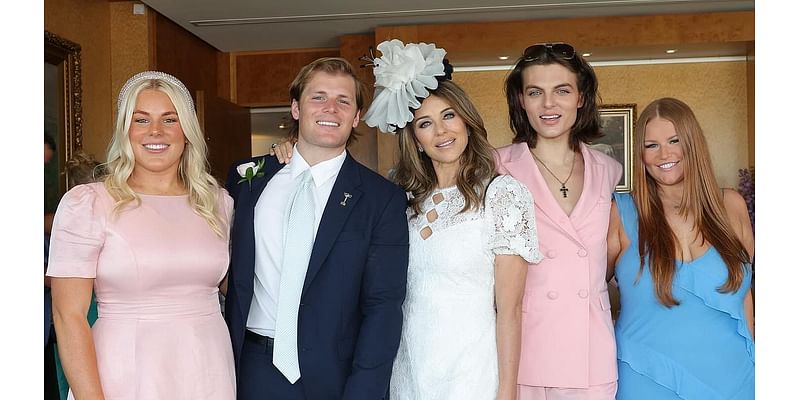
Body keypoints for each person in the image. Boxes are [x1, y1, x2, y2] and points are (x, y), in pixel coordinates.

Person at [363, 39, 542, 400]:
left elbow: (510, 310)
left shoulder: (503, 194)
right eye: (425, 124)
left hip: (471, 372)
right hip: (408, 368)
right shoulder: (399, 195)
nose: (442, 132)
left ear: (466, 119)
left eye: (448, 116)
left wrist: (507, 392)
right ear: (415, 139)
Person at [225, 57, 409, 400]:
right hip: (253, 369)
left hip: (337, 375)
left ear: (356, 117)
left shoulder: (383, 199)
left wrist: (365, 391)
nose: (331, 108)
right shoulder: (246, 180)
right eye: (318, 97)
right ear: (296, 107)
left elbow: (383, 306)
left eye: (344, 100)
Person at [47, 71, 236, 399]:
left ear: (187, 130)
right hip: (123, 371)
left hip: (208, 368)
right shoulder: (89, 203)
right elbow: (69, 317)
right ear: (125, 130)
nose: (156, 132)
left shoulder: (218, 202)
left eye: (170, 119)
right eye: (141, 120)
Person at [495, 42, 622, 399]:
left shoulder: (608, 170)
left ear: (581, 97)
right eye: (536, 92)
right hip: (521, 356)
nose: (549, 104)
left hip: (591, 357)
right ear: (521, 100)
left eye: (562, 91)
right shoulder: (494, 167)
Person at [607, 97, 754, 400]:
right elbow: (587, 295)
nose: (665, 154)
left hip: (735, 380)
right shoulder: (619, 213)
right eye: (651, 145)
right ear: (641, 154)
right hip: (645, 382)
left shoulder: (732, 206)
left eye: (675, 140)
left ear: (693, 144)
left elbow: (746, 301)